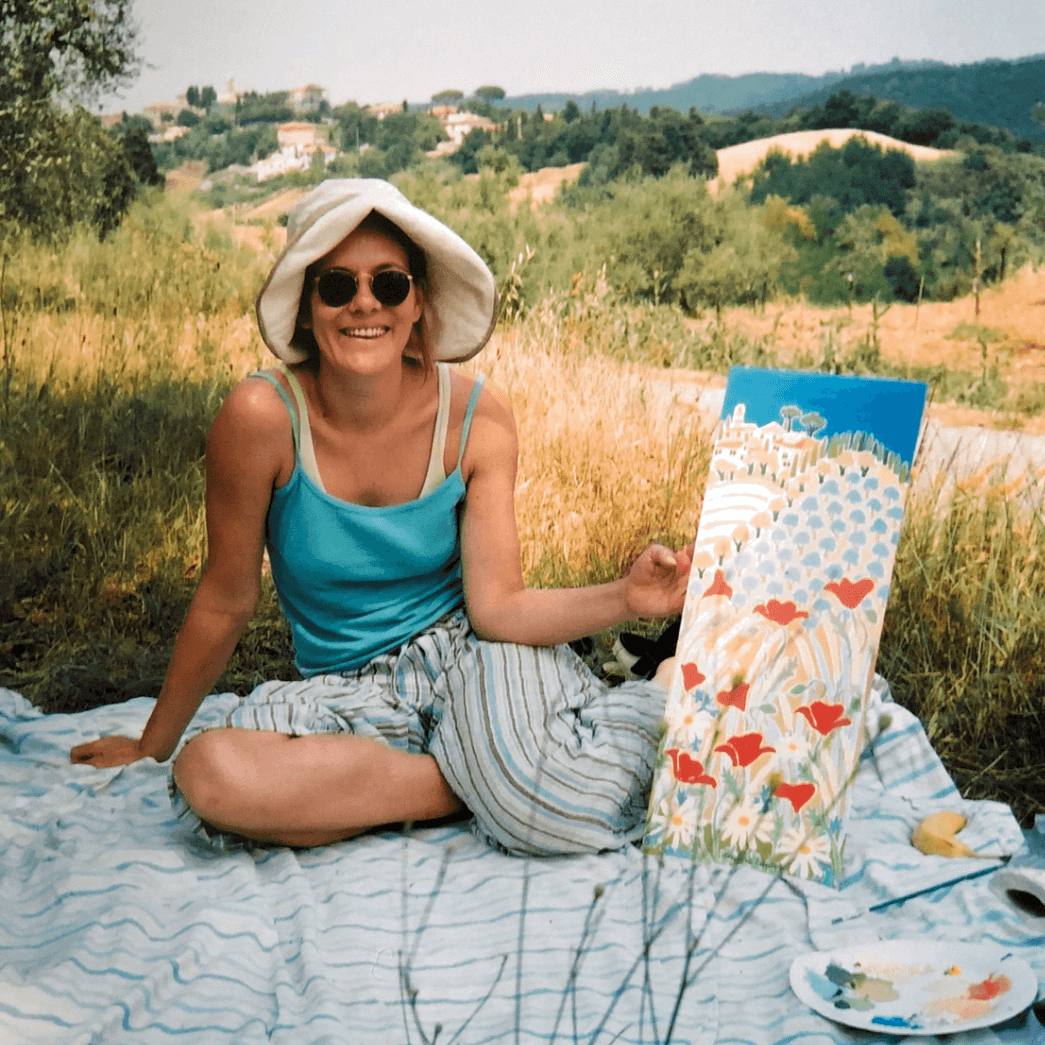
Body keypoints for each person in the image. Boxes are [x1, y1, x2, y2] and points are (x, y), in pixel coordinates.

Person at [70, 179, 691, 856]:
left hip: (475, 657)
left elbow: (498, 609)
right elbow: (226, 597)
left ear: (417, 302)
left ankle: (651, 692)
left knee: (550, 812)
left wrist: (627, 597)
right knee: (211, 774)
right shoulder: (260, 418)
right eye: (337, 286)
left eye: (389, 284)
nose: (364, 303)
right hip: (345, 687)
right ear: (306, 307)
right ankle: (479, 782)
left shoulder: (475, 415)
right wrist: (153, 743)